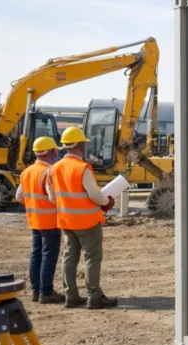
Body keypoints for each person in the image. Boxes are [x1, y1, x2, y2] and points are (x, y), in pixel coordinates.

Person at [50, 126, 117, 309]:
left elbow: (52, 197)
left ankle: (70, 296)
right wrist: (106, 202)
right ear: (80, 144)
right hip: (87, 222)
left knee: (69, 257)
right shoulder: (82, 168)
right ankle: (94, 296)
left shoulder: (54, 169)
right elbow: (94, 194)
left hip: (66, 221)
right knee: (92, 257)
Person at [15, 136, 65, 304]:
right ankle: (46, 292)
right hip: (49, 221)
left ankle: (36, 291)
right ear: (51, 152)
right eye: (55, 151)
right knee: (48, 256)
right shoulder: (48, 172)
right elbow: (52, 198)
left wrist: (33, 205)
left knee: (36, 255)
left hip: (34, 221)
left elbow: (19, 196)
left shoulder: (27, 172)